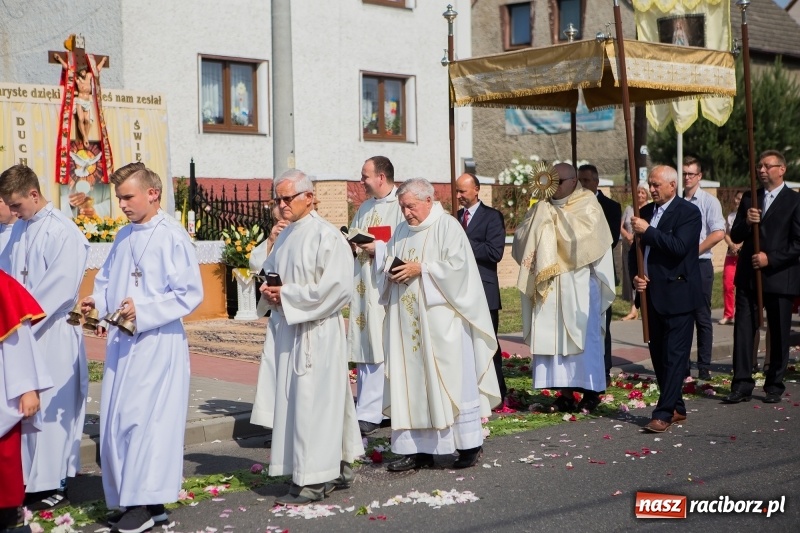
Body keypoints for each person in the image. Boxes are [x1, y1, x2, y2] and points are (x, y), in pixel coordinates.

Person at [78, 162, 203, 533]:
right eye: (119, 199)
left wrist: (143, 309)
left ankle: (143, 505)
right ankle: (142, 501)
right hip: (123, 343)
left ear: (153, 193)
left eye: (128, 197)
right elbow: (106, 281)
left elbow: (189, 294)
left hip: (155, 343)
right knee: (119, 422)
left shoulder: (172, 236)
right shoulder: (123, 235)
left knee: (145, 424)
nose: (123, 205)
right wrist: (96, 302)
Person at [377, 178, 501, 472]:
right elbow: (389, 264)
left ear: (428, 201)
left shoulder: (447, 226)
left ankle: (469, 444)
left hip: (442, 323)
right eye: (403, 207)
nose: (406, 212)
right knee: (413, 385)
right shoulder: (401, 230)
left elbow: (460, 270)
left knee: (450, 382)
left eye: (411, 206)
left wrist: (423, 269)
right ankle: (416, 449)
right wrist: (389, 270)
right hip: (407, 322)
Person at [260, 169, 363, 505]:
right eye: (278, 199)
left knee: (315, 404)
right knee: (306, 403)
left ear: (309, 196)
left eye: (287, 198)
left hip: (318, 332)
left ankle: (314, 480)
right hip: (292, 329)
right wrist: (269, 289)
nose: (281, 205)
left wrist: (286, 295)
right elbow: (271, 270)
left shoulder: (327, 236)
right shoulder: (287, 235)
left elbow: (337, 290)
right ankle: (340, 466)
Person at [0, 164, 89, 510]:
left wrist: (20, 323)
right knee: (26, 408)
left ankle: (54, 483)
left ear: (34, 195)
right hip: (22, 333)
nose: (14, 211)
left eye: (17, 204)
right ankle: (29, 480)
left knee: (52, 406)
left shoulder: (63, 232)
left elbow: (60, 289)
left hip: (50, 332)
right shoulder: (19, 230)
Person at [513, 163, 615, 414]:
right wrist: (541, 223)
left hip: (578, 282)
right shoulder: (540, 208)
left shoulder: (588, 203)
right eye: (551, 180)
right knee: (554, 340)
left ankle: (591, 392)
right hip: (549, 285)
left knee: (584, 338)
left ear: (572, 181)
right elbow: (521, 238)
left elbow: (587, 237)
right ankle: (565, 392)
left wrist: (551, 224)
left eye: (558, 181)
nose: (553, 186)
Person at [723, 150, 800, 405]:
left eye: (768, 166)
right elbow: (736, 235)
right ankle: (742, 383)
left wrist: (771, 258)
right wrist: (747, 220)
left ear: (782, 169)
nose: (762, 170)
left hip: (780, 277)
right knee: (744, 331)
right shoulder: (750, 197)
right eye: (759, 166)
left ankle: (774, 383)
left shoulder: (794, 200)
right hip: (748, 277)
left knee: (778, 332)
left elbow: (797, 243)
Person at [630, 165, 703, 432]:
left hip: (678, 296)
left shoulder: (688, 213)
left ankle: (663, 413)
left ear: (672, 186)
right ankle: (677, 406)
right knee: (659, 356)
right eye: (650, 184)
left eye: (656, 184)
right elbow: (633, 254)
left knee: (675, 356)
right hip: (651, 295)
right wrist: (636, 278)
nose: (651, 189)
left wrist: (648, 231)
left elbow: (679, 248)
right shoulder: (645, 213)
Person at [347, 156, 404, 436]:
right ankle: (372, 408)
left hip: (384, 286)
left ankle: (373, 411)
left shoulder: (400, 206)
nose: (362, 181)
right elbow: (358, 236)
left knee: (379, 347)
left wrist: (378, 248)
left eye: (365, 176)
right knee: (364, 346)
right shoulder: (366, 206)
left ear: (381, 177)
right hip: (362, 286)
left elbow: (404, 244)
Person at [0, 271, 52, 533]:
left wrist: (27, 388)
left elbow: (17, 341)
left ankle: (7, 520)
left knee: (3, 459)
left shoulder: (2, 284)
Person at [455, 172, 510, 412]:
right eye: (457, 192)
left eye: (463, 192)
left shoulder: (492, 217)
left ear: (476, 190)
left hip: (485, 291)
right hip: (460, 290)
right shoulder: (455, 218)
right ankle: (470, 393)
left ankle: (497, 394)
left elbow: (494, 252)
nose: (458, 197)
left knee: (489, 344)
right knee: (465, 345)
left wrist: (463, 243)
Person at [681, 156, 725, 380]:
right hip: (680, 265)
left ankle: (704, 366)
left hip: (699, 264)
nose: (687, 177)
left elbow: (718, 232)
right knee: (682, 316)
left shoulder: (708, 202)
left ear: (699, 176)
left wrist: (694, 251)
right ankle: (684, 366)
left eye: (691, 174)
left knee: (702, 316)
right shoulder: (678, 200)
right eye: (684, 173)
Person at [578, 164, 621, 387]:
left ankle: (604, 369)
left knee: (602, 322)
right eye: (579, 180)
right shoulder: (572, 205)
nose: (582, 185)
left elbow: (610, 238)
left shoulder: (610, 206)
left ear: (596, 182)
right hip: (577, 275)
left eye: (586, 180)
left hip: (600, 273)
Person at [249, 201, 288, 437]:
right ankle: (274, 421)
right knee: (274, 365)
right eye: (276, 222)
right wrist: (271, 241)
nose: (280, 225)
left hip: (299, 311)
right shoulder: (275, 239)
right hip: (277, 313)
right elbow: (257, 265)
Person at [620, 185, 650, 321]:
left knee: (643, 276)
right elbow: (620, 226)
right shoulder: (629, 209)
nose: (640, 195)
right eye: (638, 192)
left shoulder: (650, 209)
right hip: (628, 247)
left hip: (643, 248)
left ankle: (644, 306)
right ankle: (633, 308)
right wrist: (627, 236)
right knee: (631, 276)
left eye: (643, 192)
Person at [719, 191, 743, 325]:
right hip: (731, 255)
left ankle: (741, 314)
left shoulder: (748, 217)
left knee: (742, 287)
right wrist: (732, 245)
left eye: (741, 199)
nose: (739, 201)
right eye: (738, 199)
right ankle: (728, 314)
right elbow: (725, 234)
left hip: (743, 256)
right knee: (728, 285)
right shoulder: (731, 217)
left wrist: (740, 246)